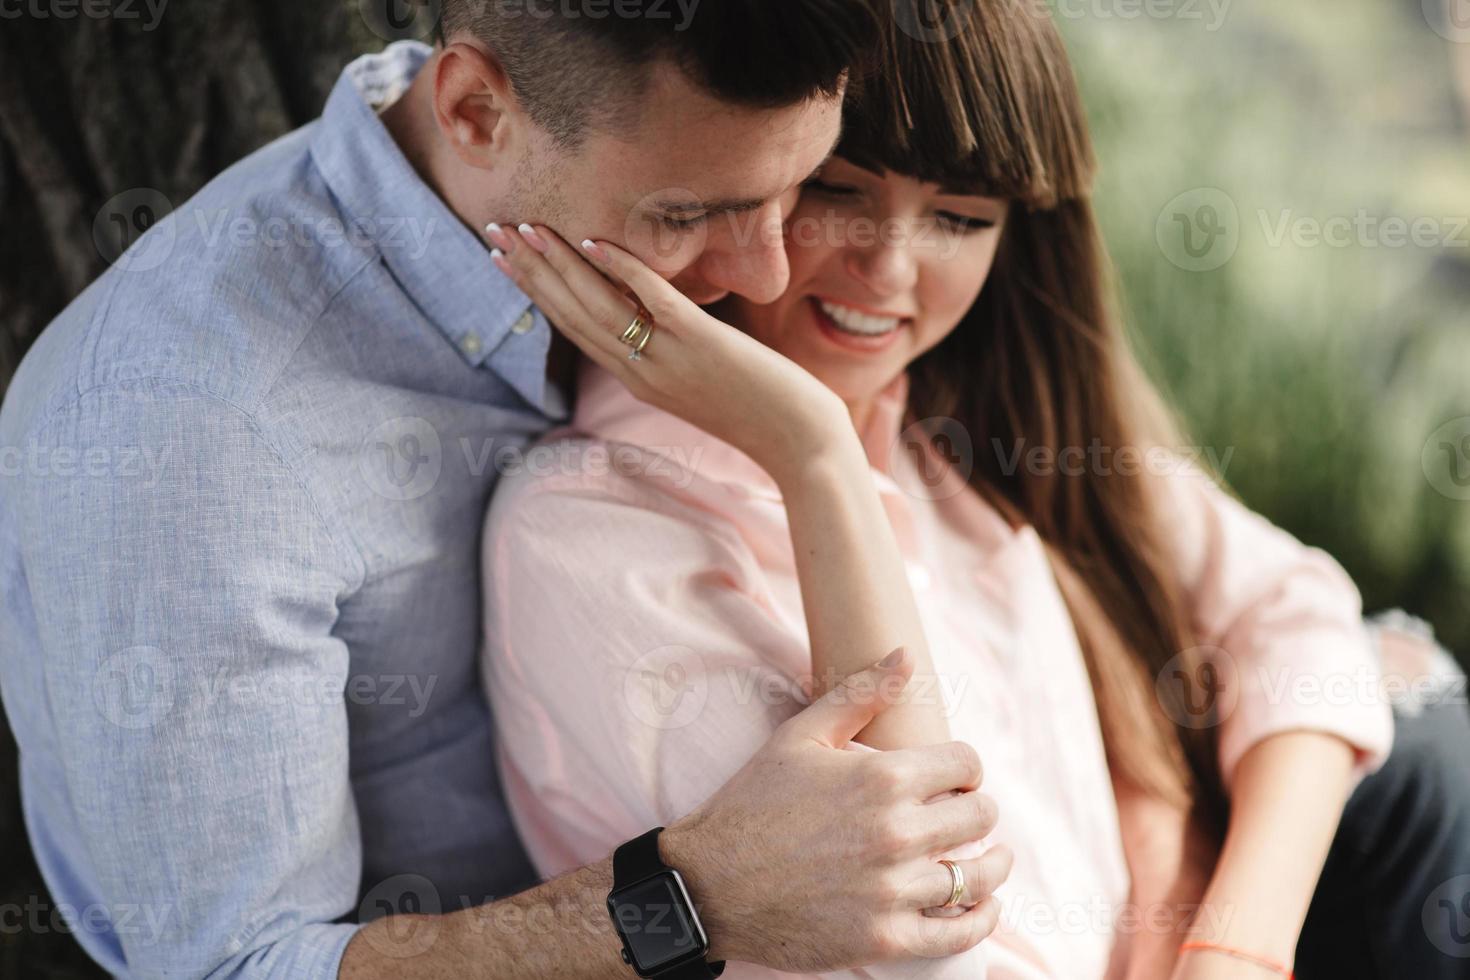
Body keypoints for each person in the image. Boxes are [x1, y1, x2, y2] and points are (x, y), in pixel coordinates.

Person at [0, 4, 1008, 977]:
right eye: (690, 214)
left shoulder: (586, 166)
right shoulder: (192, 436)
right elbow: (236, 965)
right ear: (476, 111)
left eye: (801, 185)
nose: (765, 276)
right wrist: (700, 894)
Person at [482, 1, 1470, 977]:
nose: (891, 269)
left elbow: (1296, 610)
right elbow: (924, 950)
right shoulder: (591, 532)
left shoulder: (939, 423)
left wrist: (1232, 943)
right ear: (750, 170)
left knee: (1427, 738)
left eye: (959, 217)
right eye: (835, 191)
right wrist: (814, 459)